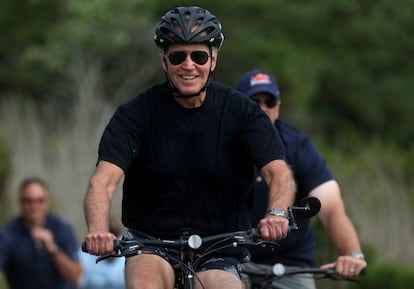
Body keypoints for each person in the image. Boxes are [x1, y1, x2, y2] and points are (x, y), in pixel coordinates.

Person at [83, 6, 296, 289]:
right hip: (151, 242)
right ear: (164, 60)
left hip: (220, 247)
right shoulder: (135, 114)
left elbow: (278, 172)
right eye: (177, 56)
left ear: (213, 60)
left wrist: (277, 213)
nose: (188, 65)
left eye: (198, 56)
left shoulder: (243, 112)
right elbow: (103, 182)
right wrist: (98, 230)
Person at [236, 70, 367, 289]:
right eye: (253, 101)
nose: (262, 108)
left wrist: (352, 254)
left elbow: (331, 206)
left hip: (291, 263)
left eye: (269, 101)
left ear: (278, 104)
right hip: (232, 258)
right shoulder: (221, 143)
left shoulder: (298, 145)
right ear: (238, 105)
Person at [0, 177, 82, 289]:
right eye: (29, 201)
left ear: (48, 202)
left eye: (40, 200)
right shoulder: (9, 234)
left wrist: (53, 249)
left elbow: (75, 276)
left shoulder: (62, 229)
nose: (34, 206)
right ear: (20, 203)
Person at [78, 217, 125, 289]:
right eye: (106, 241)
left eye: (114, 241)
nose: (110, 246)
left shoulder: (129, 252)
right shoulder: (84, 257)